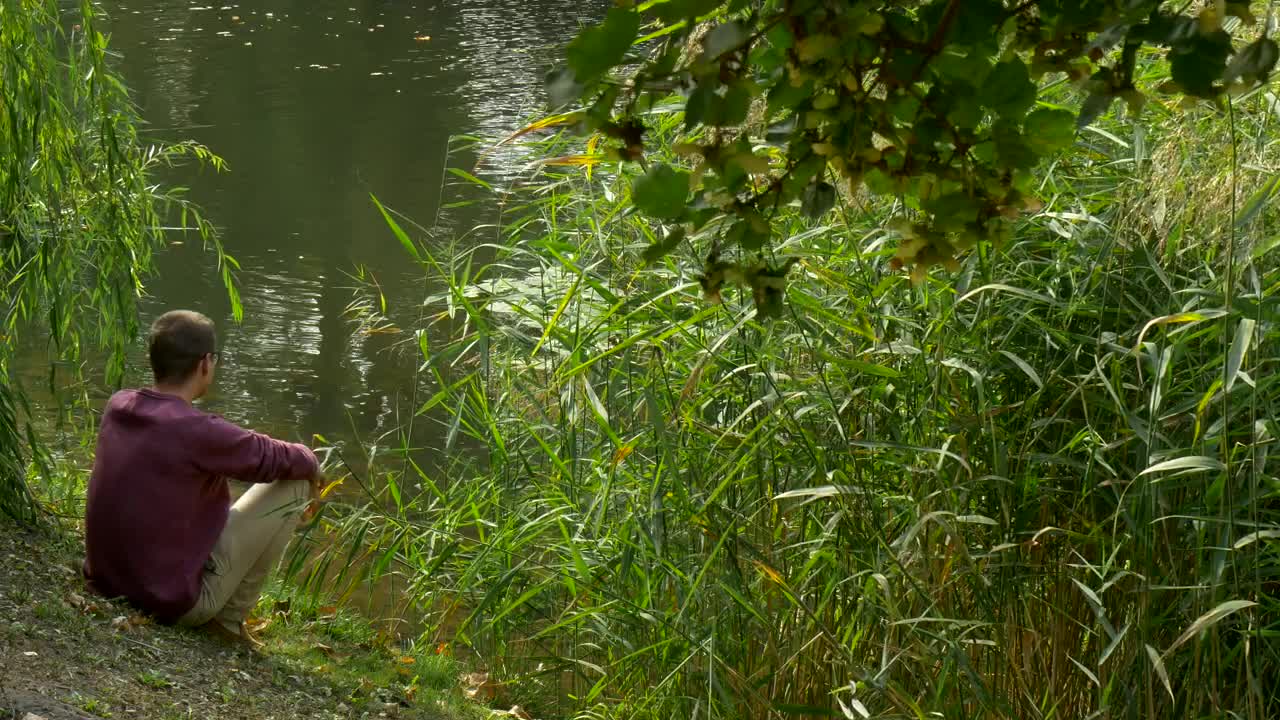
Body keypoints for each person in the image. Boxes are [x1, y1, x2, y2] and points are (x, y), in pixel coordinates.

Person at [83, 309, 322, 648]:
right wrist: (312, 462)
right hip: (170, 603)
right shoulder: (196, 430)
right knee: (295, 483)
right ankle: (228, 621)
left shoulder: (119, 405)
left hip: (107, 582)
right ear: (206, 363)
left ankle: (220, 612)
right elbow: (280, 458)